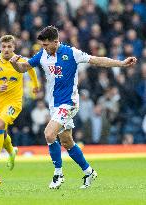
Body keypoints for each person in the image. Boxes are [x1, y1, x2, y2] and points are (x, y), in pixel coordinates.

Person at [10, 26, 137, 189]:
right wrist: (15, 64)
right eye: (43, 45)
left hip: (69, 103)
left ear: (56, 42)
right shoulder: (42, 55)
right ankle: (89, 171)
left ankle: (58, 174)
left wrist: (121, 63)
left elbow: (97, 60)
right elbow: (23, 68)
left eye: (46, 45)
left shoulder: (71, 53)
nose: (44, 48)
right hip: (54, 105)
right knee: (67, 141)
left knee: (49, 134)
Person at [0, 35, 39, 174]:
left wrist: (35, 85)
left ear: (14, 47)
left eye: (9, 47)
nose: (6, 49)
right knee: (1, 132)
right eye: (4, 47)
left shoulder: (20, 61)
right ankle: (11, 151)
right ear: (0, 47)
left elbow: (31, 69)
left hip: (14, 102)